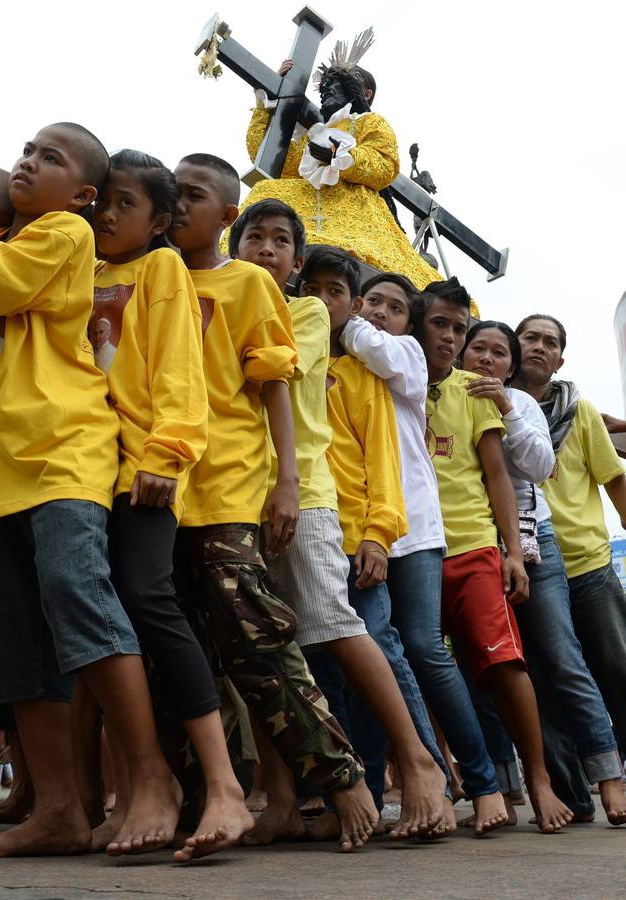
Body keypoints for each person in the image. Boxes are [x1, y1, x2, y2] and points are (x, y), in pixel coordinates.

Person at [0, 122, 181, 859]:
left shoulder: (65, 236)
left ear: (83, 195)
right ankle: (57, 810)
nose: (26, 162)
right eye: (26, 150)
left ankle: (151, 782)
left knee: (81, 602)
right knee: (21, 645)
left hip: (63, 457)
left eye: (50, 157)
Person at [168, 153, 378, 853]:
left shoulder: (261, 293)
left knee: (260, 634)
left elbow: (276, 388)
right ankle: (213, 797)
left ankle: (343, 776)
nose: (266, 249)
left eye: (277, 239)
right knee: (196, 653)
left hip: (233, 483)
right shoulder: (156, 277)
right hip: (161, 486)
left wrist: (286, 480)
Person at [231, 205, 458, 839]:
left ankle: (419, 765)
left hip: (312, 500)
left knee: (350, 630)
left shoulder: (312, 330)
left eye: (282, 242)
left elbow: (269, 367)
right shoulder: (229, 299)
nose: (267, 250)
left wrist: (379, 532)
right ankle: (287, 798)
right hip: (234, 494)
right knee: (263, 647)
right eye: (255, 238)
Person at [83, 149, 252, 861]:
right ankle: (124, 792)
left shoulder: (160, 271)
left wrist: (167, 453)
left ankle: (225, 786)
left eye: (128, 204)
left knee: (150, 600)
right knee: (99, 622)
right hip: (81, 472)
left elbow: (183, 370)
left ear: (158, 223)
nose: (109, 215)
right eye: (104, 202)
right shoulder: (76, 267)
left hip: (142, 470)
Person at [334, 270, 508, 834]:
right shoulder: (343, 371)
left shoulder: (400, 356)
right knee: (376, 653)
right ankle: (389, 783)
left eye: (395, 307)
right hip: (362, 528)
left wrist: (348, 320)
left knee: (426, 651)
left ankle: (480, 783)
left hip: (415, 534)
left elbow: (375, 343)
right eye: (373, 303)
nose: (381, 315)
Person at [295, 247, 456, 833]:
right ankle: (346, 789)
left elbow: (383, 464)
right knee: (316, 668)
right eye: (310, 289)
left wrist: (378, 536)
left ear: (353, 305)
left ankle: (429, 775)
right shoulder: (289, 354)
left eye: (335, 291)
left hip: (354, 537)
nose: (321, 301)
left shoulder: (364, 373)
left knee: (384, 648)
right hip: (294, 525)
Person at [412, 282, 573, 833]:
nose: (453, 338)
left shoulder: (476, 392)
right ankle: (454, 779)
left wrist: (512, 553)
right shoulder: (392, 382)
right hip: (409, 550)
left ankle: (539, 779)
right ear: (419, 324)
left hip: (474, 547)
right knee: (423, 667)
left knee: (504, 663)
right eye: (442, 325)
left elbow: (500, 473)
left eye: (460, 328)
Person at [495, 315, 626, 823]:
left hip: (587, 564)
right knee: (545, 679)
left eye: (551, 342)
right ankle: (573, 796)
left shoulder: (581, 412)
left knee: (612, 669)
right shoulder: (489, 403)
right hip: (524, 562)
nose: (539, 347)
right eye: (530, 337)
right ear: (513, 346)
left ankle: (613, 774)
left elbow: (614, 480)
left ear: (561, 359)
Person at [241, 52, 441, 292]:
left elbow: (384, 164)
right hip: (308, 202)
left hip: (354, 206)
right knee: (266, 189)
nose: (324, 95)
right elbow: (275, 157)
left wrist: (339, 157)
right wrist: (268, 101)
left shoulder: (370, 122)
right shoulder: (313, 134)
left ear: (363, 93)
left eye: (332, 89)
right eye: (322, 91)